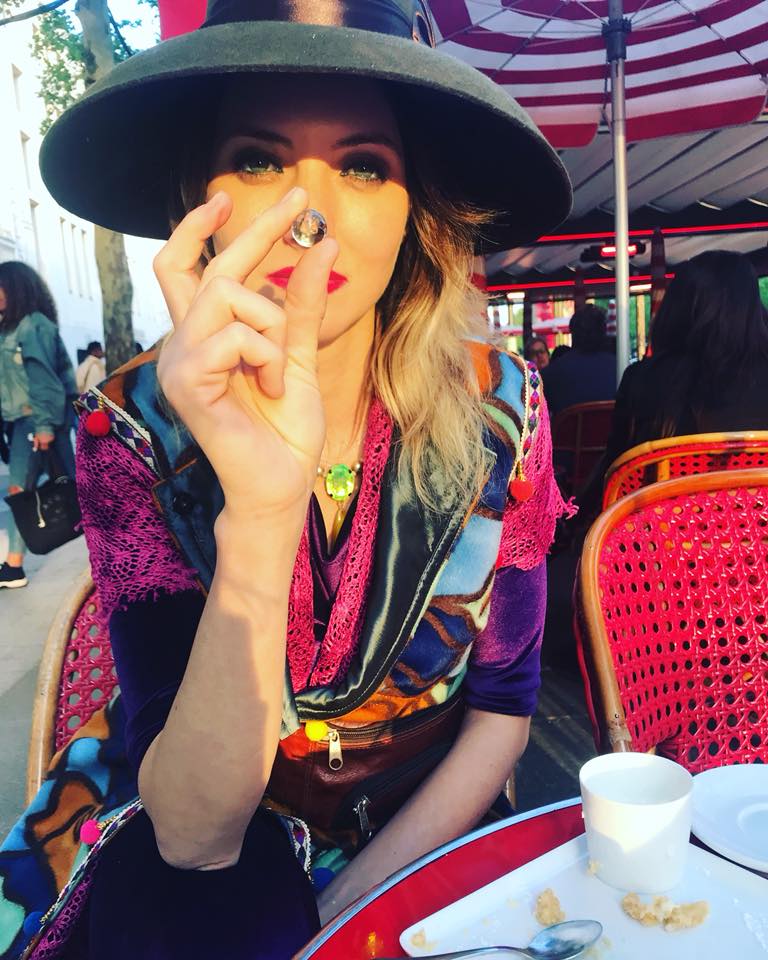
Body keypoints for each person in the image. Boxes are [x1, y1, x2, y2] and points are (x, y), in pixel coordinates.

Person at [0, 3, 573, 958]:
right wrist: (263, 512)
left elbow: (504, 714)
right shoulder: (127, 429)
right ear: (200, 197)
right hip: (202, 829)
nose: (308, 216)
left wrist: (347, 908)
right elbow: (195, 835)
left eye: (363, 166)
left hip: (427, 822)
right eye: (261, 161)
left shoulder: (502, 410)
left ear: (417, 209)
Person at [604, 250, 768, 469]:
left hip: (666, 491)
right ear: (753, 309)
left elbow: (615, 469)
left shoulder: (642, 379)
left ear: (676, 308)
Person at [0, 261, 76, 589]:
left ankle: (13, 567)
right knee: (51, 487)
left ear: (15, 288)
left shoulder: (33, 326)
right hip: (22, 421)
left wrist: (44, 426)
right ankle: (13, 566)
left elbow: (44, 380)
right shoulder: (12, 327)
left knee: (22, 491)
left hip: (35, 419)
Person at [541, 304, 616, 416]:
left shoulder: (550, 374)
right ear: (603, 332)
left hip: (566, 428)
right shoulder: (621, 370)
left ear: (573, 333)